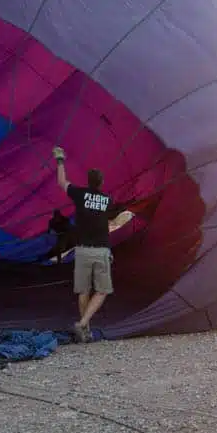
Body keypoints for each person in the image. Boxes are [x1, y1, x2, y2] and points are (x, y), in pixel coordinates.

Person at [52, 145, 128, 342]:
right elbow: (116, 217)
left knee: (83, 291)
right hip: (101, 250)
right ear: (101, 183)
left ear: (88, 182)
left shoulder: (79, 194)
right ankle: (82, 323)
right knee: (102, 290)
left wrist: (60, 160)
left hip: (82, 250)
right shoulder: (107, 200)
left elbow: (61, 182)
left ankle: (85, 332)